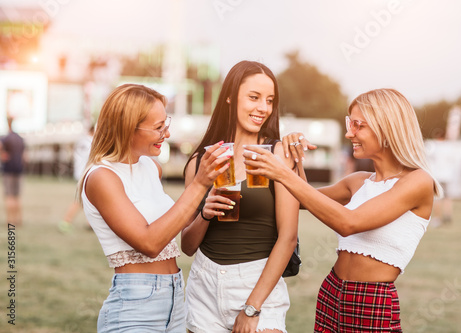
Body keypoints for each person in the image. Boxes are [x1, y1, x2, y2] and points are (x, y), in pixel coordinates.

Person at [244, 88, 442, 332]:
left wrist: (283, 173)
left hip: (372, 301)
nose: (350, 133)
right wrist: (293, 159)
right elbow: (304, 198)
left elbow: (348, 223)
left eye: (358, 125)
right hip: (331, 290)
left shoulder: (418, 181)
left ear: (387, 127)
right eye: (350, 123)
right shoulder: (358, 180)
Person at [78, 84, 230, 332]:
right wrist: (199, 184)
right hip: (134, 309)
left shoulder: (151, 167)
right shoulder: (101, 177)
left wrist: (205, 210)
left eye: (166, 124)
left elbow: (174, 226)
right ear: (128, 128)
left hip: (175, 301)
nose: (166, 134)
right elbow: (149, 243)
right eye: (159, 128)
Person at [182, 60, 300, 333]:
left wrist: (252, 308)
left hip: (258, 283)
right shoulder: (201, 161)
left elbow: (288, 237)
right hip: (204, 286)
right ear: (229, 97)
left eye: (269, 100)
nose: (263, 108)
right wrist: (204, 214)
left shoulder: (277, 154)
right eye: (254, 97)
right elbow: (187, 247)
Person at [58, 124, 95, 233]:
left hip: (81, 172)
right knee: (80, 200)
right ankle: (66, 221)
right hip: (86, 173)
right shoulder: (91, 142)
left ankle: (90, 223)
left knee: (89, 200)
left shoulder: (82, 140)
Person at [0, 115, 26, 227]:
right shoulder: (20, 138)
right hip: (19, 170)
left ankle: (10, 221)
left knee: (9, 196)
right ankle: (18, 220)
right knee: (17, 196)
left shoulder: (5, 138)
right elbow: (25, 157)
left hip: (9, 170)